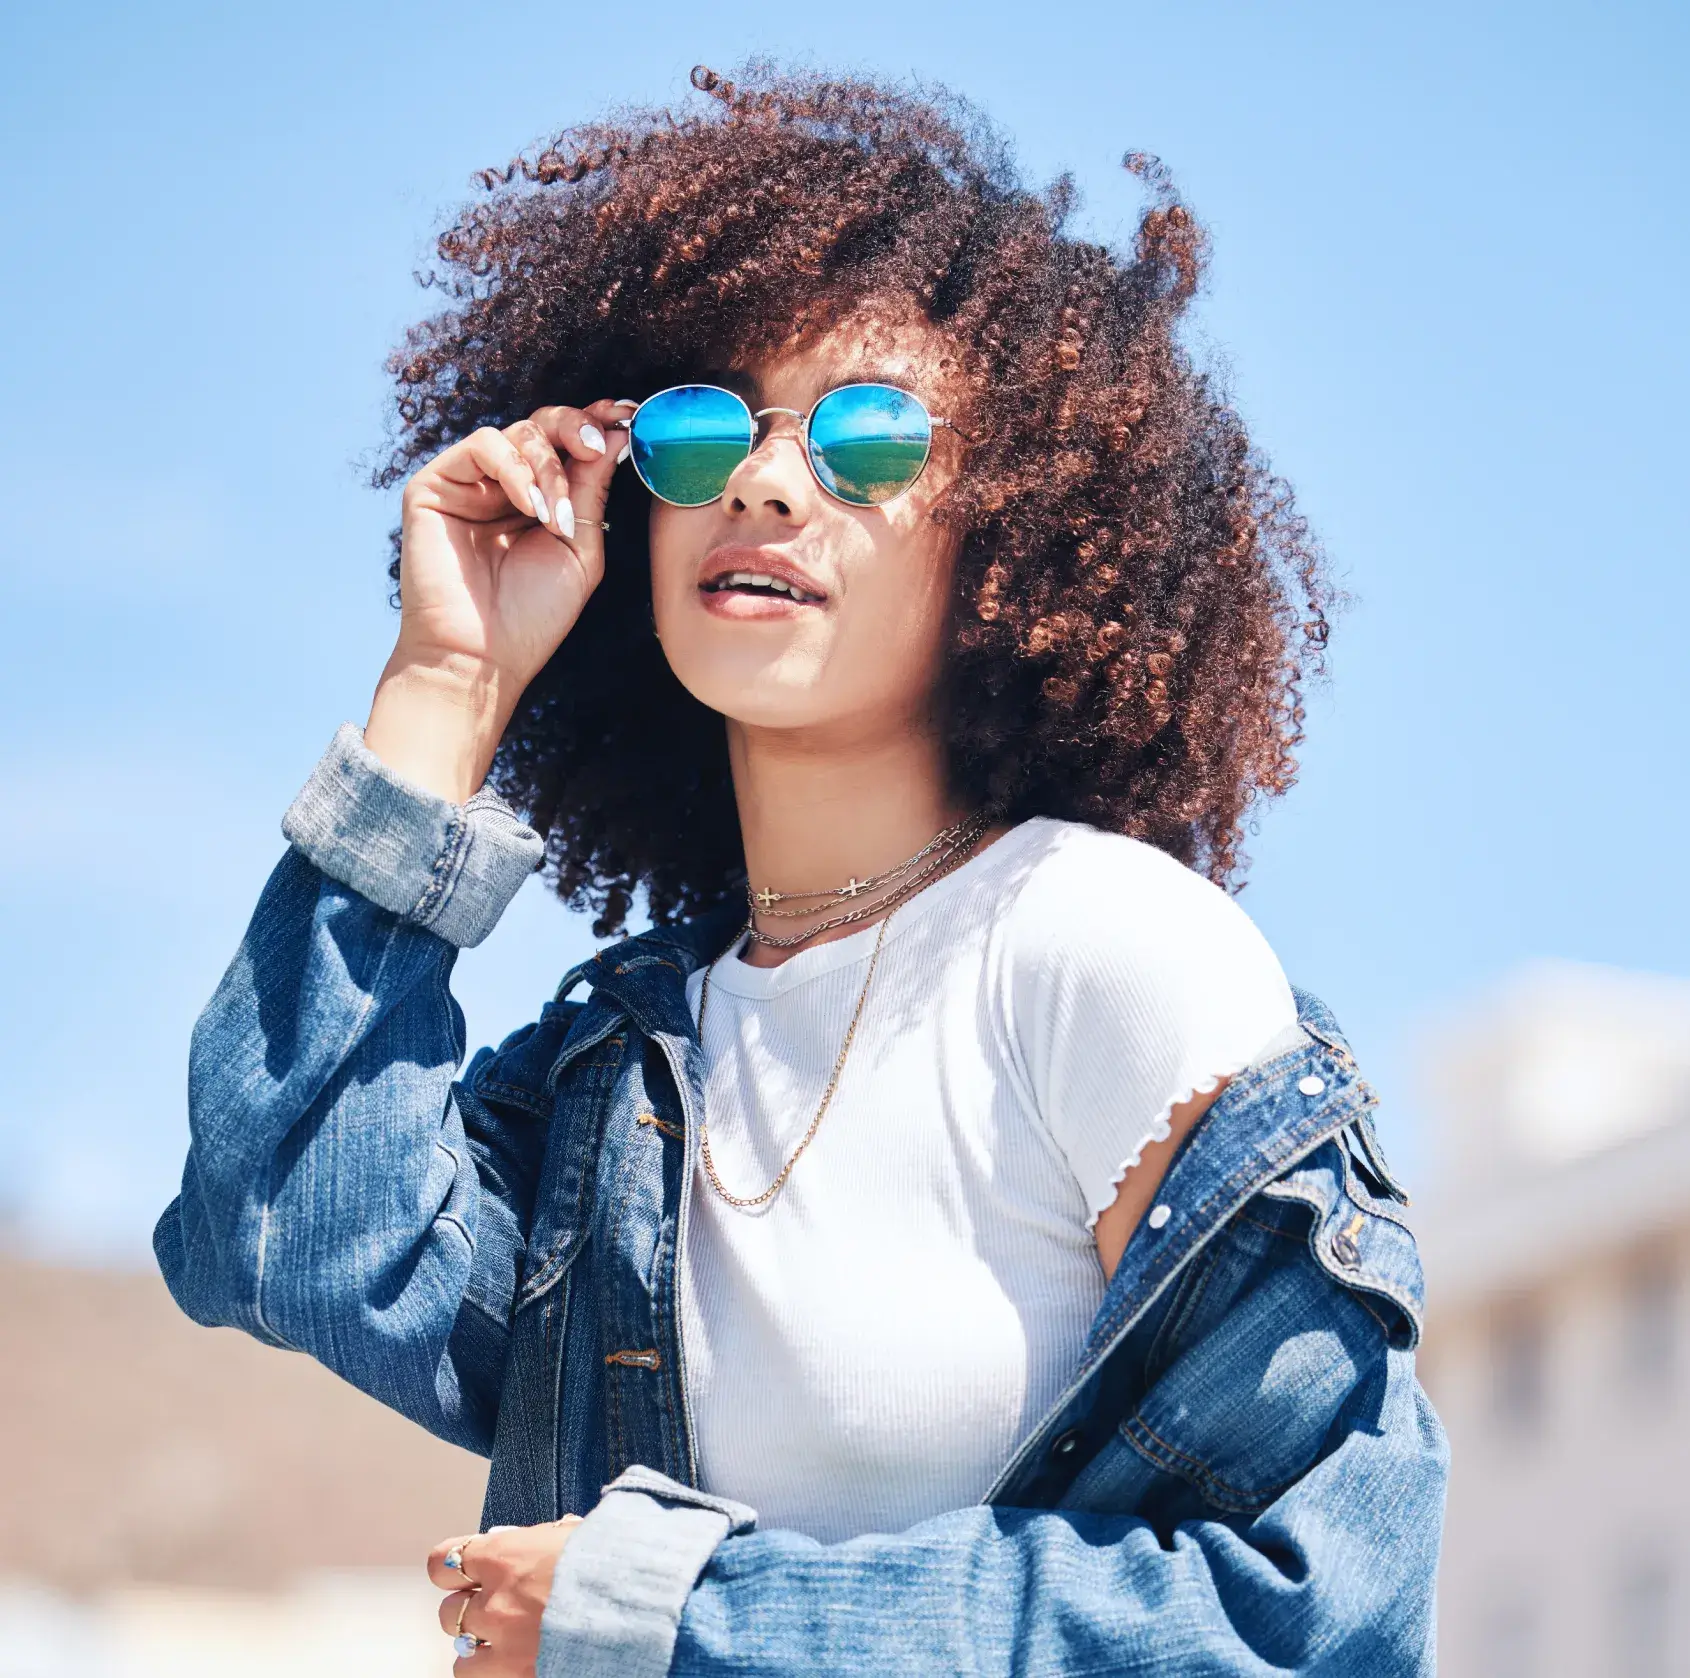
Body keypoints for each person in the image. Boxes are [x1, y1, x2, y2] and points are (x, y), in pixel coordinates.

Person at [155, 64, 1446, 1677]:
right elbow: (276, 1229)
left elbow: (1308, 1613)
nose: (765, 480)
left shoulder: (1096, 944)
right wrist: (448, 684)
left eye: (867, 437)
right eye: (703, 433)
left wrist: (672, 1619)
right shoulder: (630, 1060)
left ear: (1020, 524)